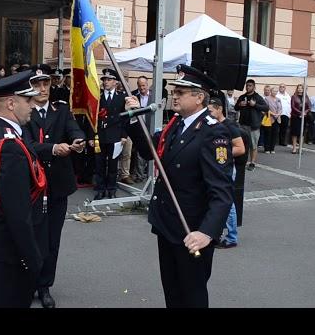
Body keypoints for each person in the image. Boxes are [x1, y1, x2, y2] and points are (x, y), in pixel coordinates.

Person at [126, 65, 234, 308]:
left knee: (192, 294)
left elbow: (222, 193)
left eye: (181, 92)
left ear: (199, 97)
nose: (174, 95)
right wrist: (134, 118)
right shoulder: (176, 124)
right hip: (168, 224)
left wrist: (206, 232)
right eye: (174, 90)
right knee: (173, 292)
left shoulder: (213, 133)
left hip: (192, 230)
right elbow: (148, 151)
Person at [0, 70, 47, 308]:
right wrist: (32, 257)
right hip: (10, 247)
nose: (33, 104)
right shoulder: (9, 147)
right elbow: (17, 212)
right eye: (27, 100)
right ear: (10, 103)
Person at [22, 64, 85, 308]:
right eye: (37, 84)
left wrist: (78, 140)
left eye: (46, 83)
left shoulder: (61, 109)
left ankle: (45, 285)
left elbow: (73, 129)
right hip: (33, 184)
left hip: (58, 184)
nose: (42, 89)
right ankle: (29, 283)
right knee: (31, 236)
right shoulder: (23, 111)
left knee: (52, 239)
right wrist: (52, 149)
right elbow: (26, 145)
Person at [208, 97, 245, 249]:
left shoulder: (229, 126)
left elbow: (240, 148)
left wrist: (220, 153)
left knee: (227, 203)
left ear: (219, 109)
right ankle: (216, 234)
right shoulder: (212, 125)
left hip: (227, 168)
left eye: (210, 111)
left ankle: (231, 238)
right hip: (215, 168)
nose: (208, 114)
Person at [94, 68, 127, 200]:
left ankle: (111, 189)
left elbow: (126, 118)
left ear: (115, 82)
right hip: (100, 136)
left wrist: (124, 135)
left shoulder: (122, 97)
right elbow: (92, 118)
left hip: (115, 136)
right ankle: (100, 189)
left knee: (113, 165)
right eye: (104, 80)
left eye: (109, 80)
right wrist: (92, 136)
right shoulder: (98, 96)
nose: (105, 82)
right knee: (99, 165)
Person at [234, 79, 268, 171]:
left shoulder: (257, 97)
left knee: (253, 145)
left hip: (254, 126)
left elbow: (266, 108)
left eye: (250, 86)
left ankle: (252, 162)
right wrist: (240, 104)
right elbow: (236, 108)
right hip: (243, 125)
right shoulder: (242, 96)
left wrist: (255, 105)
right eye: (247, 85)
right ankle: (242, 161)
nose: (248, 87)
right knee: (242, 144)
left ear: (254, 87)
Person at [290, 84, 311, 154]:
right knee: (295, 133)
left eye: (301, 88)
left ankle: (300, 148)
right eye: (298, 88)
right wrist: (300, 112)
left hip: (303, 117)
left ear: (303, 89)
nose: (300, 89)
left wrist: (305, 112)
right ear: (297, 89)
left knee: (302, 133)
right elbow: (293, 107)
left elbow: (309, 107)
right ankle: (294, 148)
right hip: (295, 117)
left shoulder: (306, 97)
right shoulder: (293, 97)